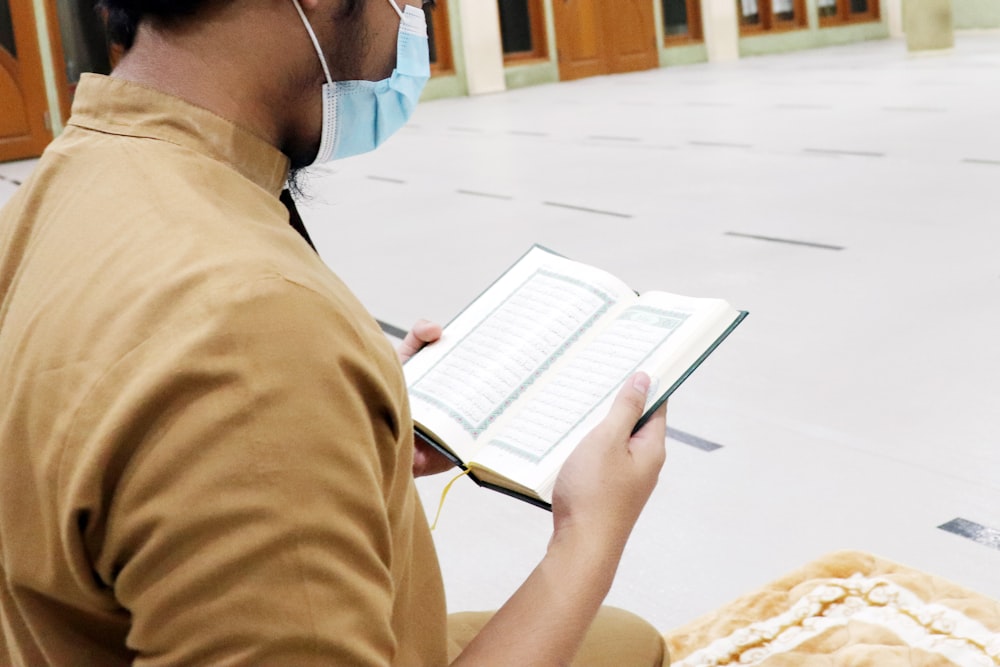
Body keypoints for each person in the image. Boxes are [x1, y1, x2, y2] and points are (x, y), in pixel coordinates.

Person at [0, 0, 669, 664]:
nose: (416, 20)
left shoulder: (51, 194)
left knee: (622, 641)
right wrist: (588, 534)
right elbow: (234, 382)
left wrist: (342, 426)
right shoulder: (252, 332)